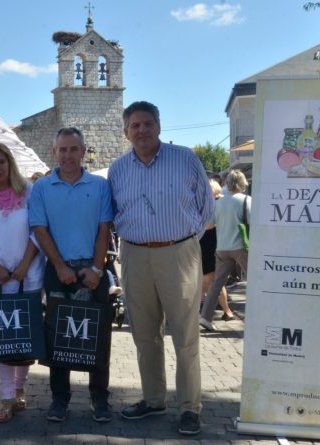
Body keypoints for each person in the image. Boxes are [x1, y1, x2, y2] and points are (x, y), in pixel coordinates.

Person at [109, 101, 213, 435]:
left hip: (177, 252)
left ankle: (189, 407)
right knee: (143, 334)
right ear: (126, 131)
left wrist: (182, 243)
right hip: (134, 255)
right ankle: (154, 399)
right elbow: (113, 213)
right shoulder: (118, 169)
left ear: (159, 125)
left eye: (147, 123)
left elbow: (206, 210)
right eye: (135, 125)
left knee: (185, 335)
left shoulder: (185, 159)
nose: (141, 130)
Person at [29, 127, 114, 423]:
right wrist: (60, 266)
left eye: (73, 149)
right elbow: (39, 229)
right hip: (58, 270)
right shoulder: (40, 188)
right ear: (54, 153)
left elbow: (105, 228)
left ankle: (99, 398)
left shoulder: (100, 185)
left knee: (99, 335)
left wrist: (97, 268)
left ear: (83, 151)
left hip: (92, 270)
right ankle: (59, 399)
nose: (68, 155)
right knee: (58, 336)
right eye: (62, 150)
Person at [0, 143, 45, 423]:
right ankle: (5, 398)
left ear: (10, 163)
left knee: (24, 335)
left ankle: (20, 388)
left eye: (2, 162)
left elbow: (39, 230)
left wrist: (25, 265)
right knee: (3, 338)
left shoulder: (29, 191)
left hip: (29, 275)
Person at [199, 170, 250, 332]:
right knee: (255, 281)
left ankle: (205, 317)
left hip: (221, 249)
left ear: (228, 183)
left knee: (216, 284)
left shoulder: (218, 203)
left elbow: (208, 226)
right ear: (243, 183)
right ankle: (259, 315)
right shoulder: (247, 201)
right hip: (241, 247)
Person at [199, 179, 236, 322]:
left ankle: (189, 310)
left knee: (211, 280)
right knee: (213, 280)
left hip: (209, 244)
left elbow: (208, 225)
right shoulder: (220, 203)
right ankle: (227, 311)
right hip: (214, 244)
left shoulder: (212, 204)